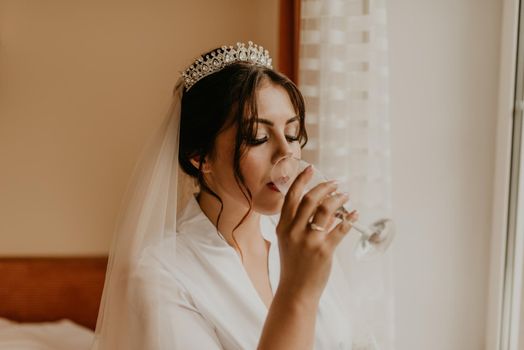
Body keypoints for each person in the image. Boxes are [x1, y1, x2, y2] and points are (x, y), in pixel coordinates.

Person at [92, 41, 358, 350]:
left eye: (292, 134)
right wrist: (298, 291)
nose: (286, 153)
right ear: (200, 157)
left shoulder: (302, 242)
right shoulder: (160, 274)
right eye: (257, 137)